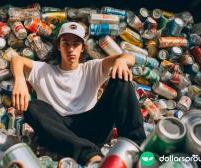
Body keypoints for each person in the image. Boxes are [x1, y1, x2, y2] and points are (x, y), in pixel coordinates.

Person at [10, 22, 146, 165]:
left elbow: (129, 57)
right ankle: (91, 156)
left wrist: (122, 61)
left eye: (76, 44)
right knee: (33, 107)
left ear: (82, 48)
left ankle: (135, 146)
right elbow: (17, 59)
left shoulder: (91, 68)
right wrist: (20, 80)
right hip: (59, 132)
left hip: (92, 127)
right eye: (66, 43)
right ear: (59, 46)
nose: (71, 49)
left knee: (121, 79)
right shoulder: (44, 70)